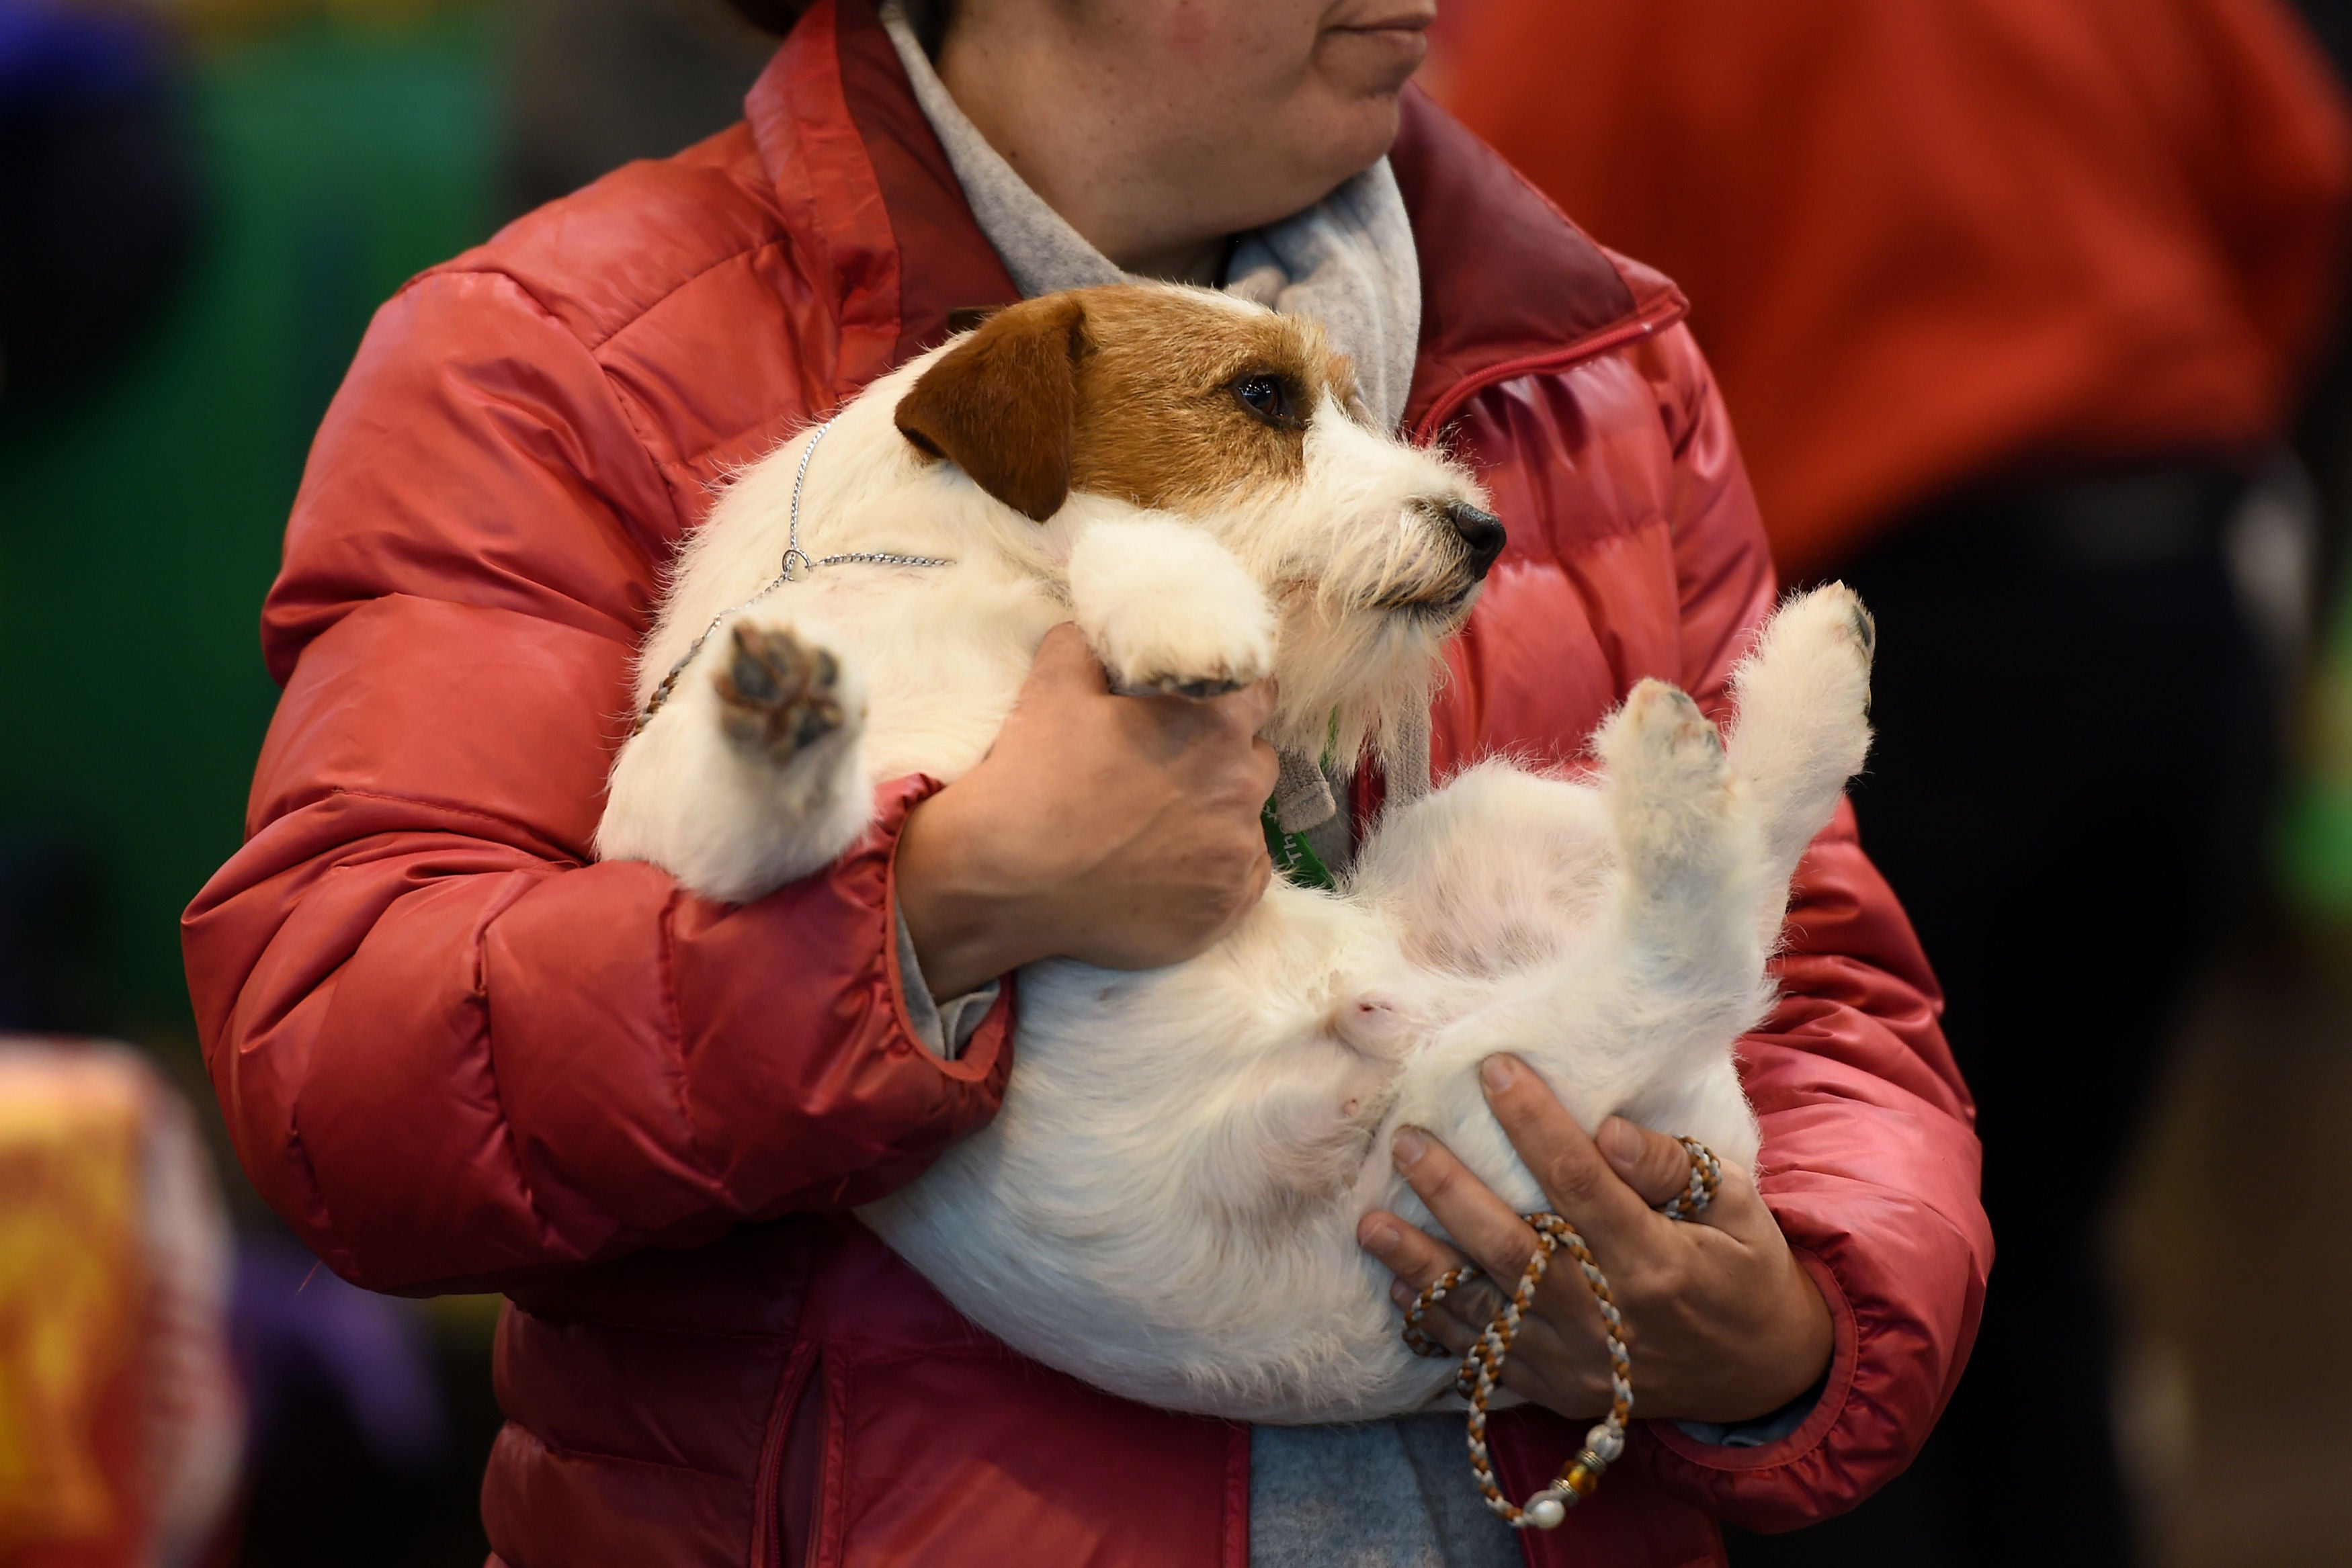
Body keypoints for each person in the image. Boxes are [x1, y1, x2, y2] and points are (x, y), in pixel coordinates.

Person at [180, 2, 1986, 1563]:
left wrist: (1790, 1328)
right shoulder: (557, 373)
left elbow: (1824, 984)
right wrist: (938, 902)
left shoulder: (1593, 360)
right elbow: (355, 1068)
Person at [1428, 1, 2352, 1562]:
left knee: (1836, 1244)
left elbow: (1525, 291)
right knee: (2034, 1245)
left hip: (1874, 624)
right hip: (2174, 593)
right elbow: (2302, 182)